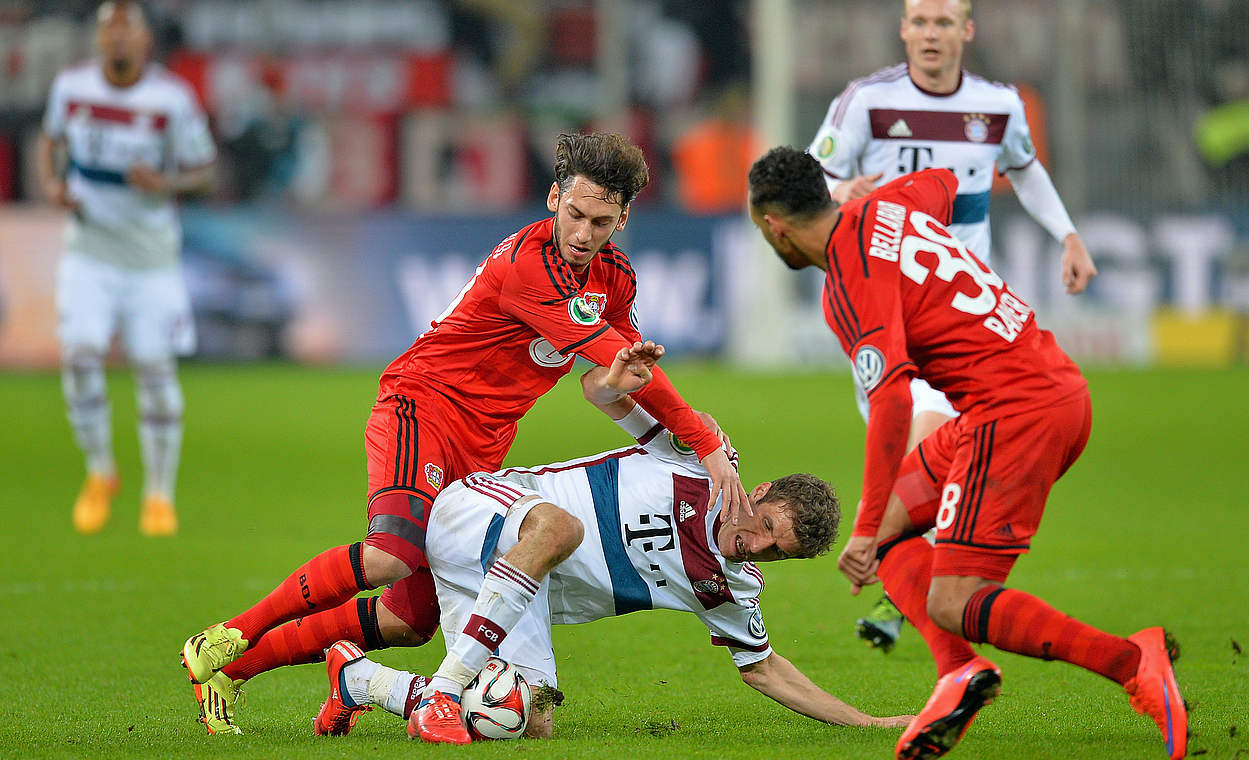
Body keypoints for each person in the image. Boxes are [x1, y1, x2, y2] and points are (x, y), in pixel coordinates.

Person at [179, 132, 749, 735]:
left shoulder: (615, 275)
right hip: (422, 407)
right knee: (389, 556)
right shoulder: (528, 266)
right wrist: (705, 445)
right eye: (575, 214)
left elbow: (615, 371)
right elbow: (608, 348)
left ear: (622, 218)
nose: (583, 234)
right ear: (555, 197)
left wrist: (627, 384)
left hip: (483, 446)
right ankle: (226, 637)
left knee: (411, 616)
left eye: (601, 222)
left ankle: (237, 675)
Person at [746, 147, 1187, 760]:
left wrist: (865, 528)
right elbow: (946, 180)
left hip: (1013, 413)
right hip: (1049, 383)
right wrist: (860, 197)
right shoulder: (889, 205)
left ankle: (1132, 662)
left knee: (951, 600)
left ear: (773, 225)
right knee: (902, 525)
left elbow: (894, 403)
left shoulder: (847, 285)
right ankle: (958, 673)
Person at [312, 358, 912, 743]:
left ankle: (361, 682)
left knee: (525, 721)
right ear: (758, 493)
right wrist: (618, 373)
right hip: (487, 510)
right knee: (554, 532)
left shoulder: (733, 587)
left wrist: (866, 723)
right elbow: (596, 391)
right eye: (765, 524)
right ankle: (442, 691)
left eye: (772, 551)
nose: (753, 544)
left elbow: (764, 668)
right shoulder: (699, 461)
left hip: (522, 590)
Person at [807, 0, 1098, 652]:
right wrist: (842, 190)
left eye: (944, 22)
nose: (930, 34)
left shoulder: (999, 104)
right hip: (886, 310)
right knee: (921, 472)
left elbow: (1022, 167)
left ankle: (920, 609)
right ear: (903, 30)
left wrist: (1069, 235)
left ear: (967, 31)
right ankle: (927, 606)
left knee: (931, 450)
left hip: (954, 319)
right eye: (920, 22)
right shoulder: (865, 101)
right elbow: (809, 178)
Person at [37, 0, 216, 537]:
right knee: (80, 356)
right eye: (107, 30)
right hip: (89, 252)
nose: (116, 39)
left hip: (151, 262)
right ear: (97, 41)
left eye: (126, 30)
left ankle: (158, 495)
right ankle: (100, 472)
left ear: (144, 42)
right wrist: (51, 183)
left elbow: (205, 170)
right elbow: (50, 140)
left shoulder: (170, 99)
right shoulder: (71, 88)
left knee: (155, 372)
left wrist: (165, 184)